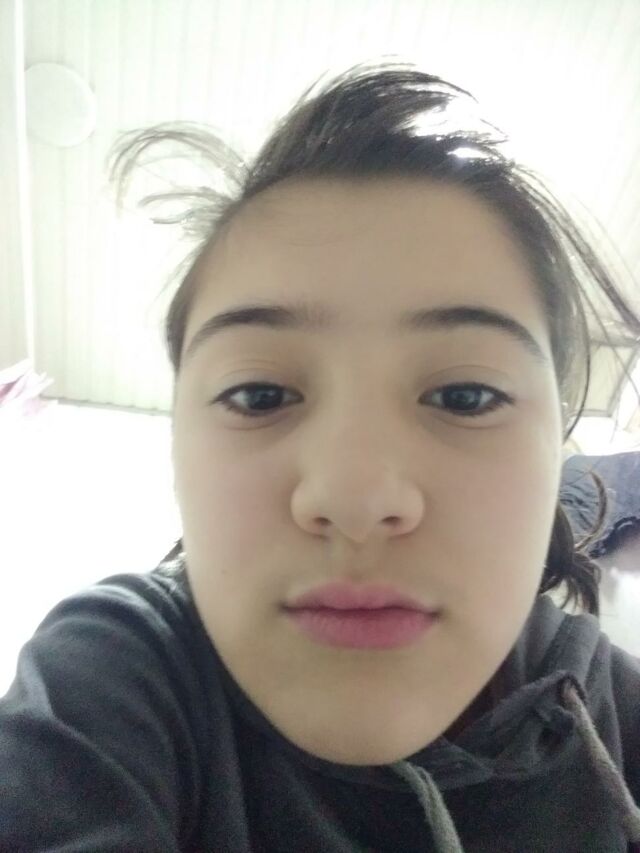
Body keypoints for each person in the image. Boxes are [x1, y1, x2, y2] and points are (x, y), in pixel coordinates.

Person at [1, 59, 640, 852]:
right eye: (259, 394)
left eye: (465, 395)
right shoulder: (111, 675)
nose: (355, 497)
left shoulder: (622, 713)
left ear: (557, 450)